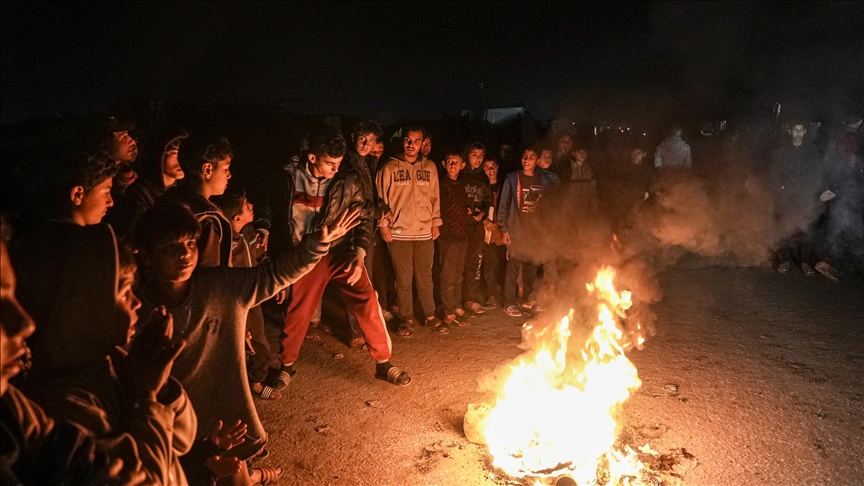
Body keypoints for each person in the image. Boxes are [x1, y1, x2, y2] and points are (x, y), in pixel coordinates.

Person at [133, 203, 356, 483]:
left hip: (227, 425)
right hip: (172, 433)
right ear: (146, 256)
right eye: (170, 248)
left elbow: (272, 275)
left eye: (190, 243)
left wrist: (317, 244)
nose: (185, 254)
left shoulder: (220, 287)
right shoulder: (136, 312)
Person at [10, 220, 195, 485]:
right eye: (124, 292)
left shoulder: (111, 360)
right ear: (81, 305)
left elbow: (181, 440)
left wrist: (161, 385)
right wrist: (144, 398)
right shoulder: (67, 404)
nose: (136, 302)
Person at [0, 217, 145, 486]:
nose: (25, 324)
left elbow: (88, 463)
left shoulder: (10, 408)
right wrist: (146, 398)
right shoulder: (64, 398)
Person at [269, 128, 410, 387]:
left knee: (367, 300)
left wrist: (359, 253)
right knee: (298, 309)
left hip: (340, 250)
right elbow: (273, 214)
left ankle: (383, 363)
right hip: (306, 254)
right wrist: (269, 245)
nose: (336, 169)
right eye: (330, 164)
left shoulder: (347, 180)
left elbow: (363, 215)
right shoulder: (288, 177)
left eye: (339, 163)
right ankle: (286, 365)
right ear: (312, 157)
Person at [211, 184, 283, 400]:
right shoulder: (224, 243)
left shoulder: (249, 233)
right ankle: (249, 385)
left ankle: (256, 379)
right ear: (236, 218)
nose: (252, 206)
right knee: (241, 344)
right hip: (234, 302)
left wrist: (276, 283)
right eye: (247, 206)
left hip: (253, 300)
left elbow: (261, 258)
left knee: (259, 343)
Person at [376, 126, 444, 336]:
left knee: (425, 277)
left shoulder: (430, 167)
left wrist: (435, 222)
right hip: (399, 232)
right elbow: (380, 198)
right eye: (408, 140)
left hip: (424, 231)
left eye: (416, 141)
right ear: (402, 141)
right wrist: (383, 225)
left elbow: (435, 197)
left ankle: (430, 315)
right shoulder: (389, 168)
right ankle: (406, 319)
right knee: (403, 279)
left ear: (422, 143)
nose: (411, 145)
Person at [497, 146, 558, 317]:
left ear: (537, 161)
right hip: (517, 230)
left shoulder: (544, 180)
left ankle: (528, 299)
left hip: (535, 231)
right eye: (524, 156)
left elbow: (549, 205)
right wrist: (504, 229)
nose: (526, 160)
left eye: (531, 157)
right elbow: (503, 205)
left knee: (531, 266)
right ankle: (509, 303)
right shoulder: (512, 179)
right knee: (513, 267)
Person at [160, 134, 234, 268]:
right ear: (207, 169)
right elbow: (209, 274)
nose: (229, 175)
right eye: (226, 168)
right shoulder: (206, 219)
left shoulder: (167, 202)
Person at [109, 128, 188, 242]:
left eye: (183, 153)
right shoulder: (139, 194)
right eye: (174, 153)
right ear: (159, 155)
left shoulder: (185, 192)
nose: (180, 159)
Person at [770, 121, 824, 276]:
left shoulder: (812, 151)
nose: (798, 133)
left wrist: (818, 190)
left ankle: (804, 262)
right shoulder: (782, 151)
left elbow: (817, 172)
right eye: (796, 130)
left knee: (807, 229)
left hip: (806, 194)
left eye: (801, 130)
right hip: (786, 196)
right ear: (790, 132)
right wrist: (779, 189)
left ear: (805, 132)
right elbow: (775, 173)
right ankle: (784, 260)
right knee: (784, 227)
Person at [437, 150, 472, 330]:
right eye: (450, 161)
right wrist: (446, 234)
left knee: (458, 274)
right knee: (448, 275)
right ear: (444, 164)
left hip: (461, 235)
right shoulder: (442, 185)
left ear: (462, 165)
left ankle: (456, 304)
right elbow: (441, 210)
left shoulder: (461, 184)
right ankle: (448, 310)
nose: (453, 165)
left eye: (456, 162)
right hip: (448, 237)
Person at [460, 142, 492, 316]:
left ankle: (470, 299)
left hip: (476, 227)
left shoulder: (482, 178)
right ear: (467, 155)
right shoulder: (460, 174)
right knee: (457, 264)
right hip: (459, 226)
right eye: (474, 155)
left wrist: (483, 214)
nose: (478, 159)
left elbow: (487, 200)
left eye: (481, 155)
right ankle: (454, 301)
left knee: (474, 263)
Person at [480, 157, 506, 307]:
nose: (491, 169)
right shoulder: (481, 187)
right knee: (489, 265)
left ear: (497, 168)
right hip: (489, 233)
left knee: (504, 264)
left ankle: (505, 291)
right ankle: (491, 294)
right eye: (486, 167)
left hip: (504, 231)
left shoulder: (504, 186)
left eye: (493, 166)